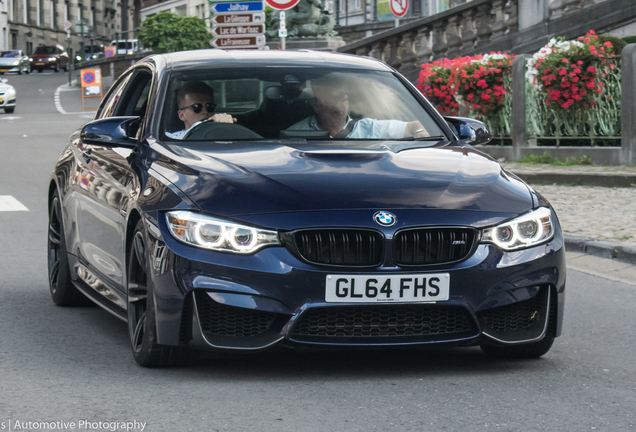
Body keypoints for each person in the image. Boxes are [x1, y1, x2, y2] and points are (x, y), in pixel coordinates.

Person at [287, 75, 430, 139]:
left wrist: (420, 136)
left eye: (343, 97)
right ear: (316, 105)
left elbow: (415, 126)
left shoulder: (369, 128)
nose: (340, 104)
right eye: (332, 98)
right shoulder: (295, 134)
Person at [165, 81, 236, 140]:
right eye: (197, 107)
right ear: (182, 115)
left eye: (209, 106)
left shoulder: (222, 133)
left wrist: (226, 128)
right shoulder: (172, 140)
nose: (205, 111)